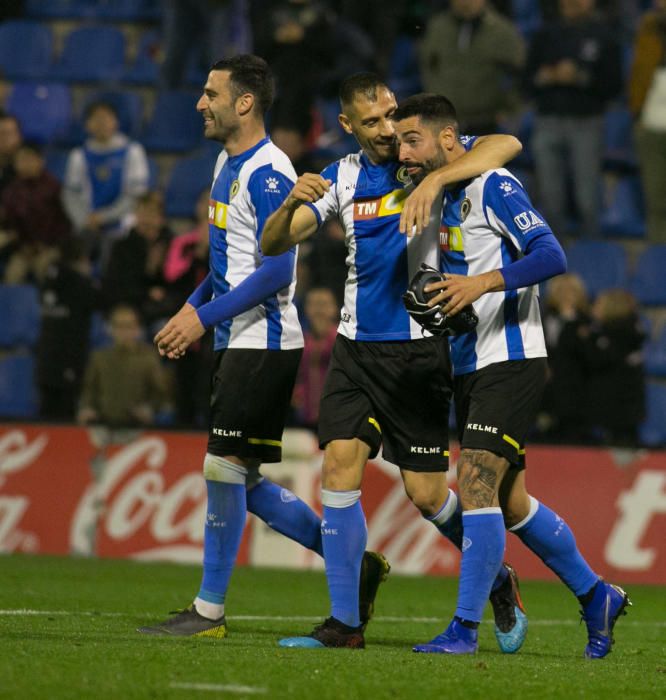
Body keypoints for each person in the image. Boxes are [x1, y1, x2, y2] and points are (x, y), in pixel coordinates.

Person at [262, 73, 527, 651]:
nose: (388, 130)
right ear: (348, 126)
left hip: (418, 353)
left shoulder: (423, 161)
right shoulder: (343, 176)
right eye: (375, 121)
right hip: (356, 348)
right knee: (338, 470)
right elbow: (275, 243)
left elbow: (505, 145)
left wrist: (440, 182)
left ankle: (496, 577)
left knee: (428, 495)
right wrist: (288, 203)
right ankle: (344, 624)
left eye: (391, 116)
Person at [137, 55, 389, 640]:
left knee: (222, 467)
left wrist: (202, 320)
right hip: (236, 336)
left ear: (244, 102)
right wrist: (192, 307)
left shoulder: (270, 171)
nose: (200, 103)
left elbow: (276, 271)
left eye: (210, 93)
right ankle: (356, 564)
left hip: (264, 340)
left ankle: (208, 612)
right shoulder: (227, 162)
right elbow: (228, 264)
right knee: (240, 479)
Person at [392, 92, 630, 659]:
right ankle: (596, 594)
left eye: (412, 139)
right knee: (512, 503)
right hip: (472, 361)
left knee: (473, 478)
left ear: (448, 139)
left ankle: (464, 629)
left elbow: (551, 256)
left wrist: (481, 284)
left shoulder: (492, 185)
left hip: (514, 356)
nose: (402, 150)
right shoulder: (435, 187)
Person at [524, 0, 623, 239]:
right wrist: (543, 77)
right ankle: (551, 259)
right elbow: (525, 81)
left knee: (587, 198)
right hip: (547, 119)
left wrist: (580, 77)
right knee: (550, 197)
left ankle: (592, 258)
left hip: (586, 121)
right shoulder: (544, 34)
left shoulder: (604, 36)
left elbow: (614, 86)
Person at [419, 0, 526, 135]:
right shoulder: (436, 29)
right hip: (443, 122)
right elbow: (426, 69)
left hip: (487, 122)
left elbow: (519, 75)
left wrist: (510, 111)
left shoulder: (503, 31)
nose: (466, 2)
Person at [62, 101, 149, 259]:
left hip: (123, 226)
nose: (101, 124)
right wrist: (84, 219)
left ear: (116, 122)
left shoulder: (132, 152)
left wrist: (104, 217)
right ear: (87, 125)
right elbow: (70, 195)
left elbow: (136, 195)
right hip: (88, 226)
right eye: (96, 119)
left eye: (106, 118)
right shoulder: (78, 156)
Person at [77, 304, 169, 428]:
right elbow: (89, 389)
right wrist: (86, 408)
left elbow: (160, 394)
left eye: (128, 327)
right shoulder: (100, 358)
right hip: (103, 426)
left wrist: (149, 409)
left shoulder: (148, 358)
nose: (124, 332)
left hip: (138, 428)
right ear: (111, 329)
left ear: (137, 329)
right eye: (119, 327)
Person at [2, 141, 71, 284]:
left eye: (29, 159)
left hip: (50, 247)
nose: (25, 164)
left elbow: (64, 223)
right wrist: (21, 245)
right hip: (24, 250)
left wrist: (45, 244)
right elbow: (11, 223)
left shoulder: (54, 188)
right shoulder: (12, 191)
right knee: (12, 276)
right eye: (20, 160)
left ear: (40, 161)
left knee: (44, 272)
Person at [629, 0, 666, 243]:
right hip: (652, 123)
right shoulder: (649, 27)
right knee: (656, 200)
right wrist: (638, 113)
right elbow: (639, 73)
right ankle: (658, 257)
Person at [292, 286, 339, 430]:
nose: (319, 310)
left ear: (335, 308)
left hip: (337, 418)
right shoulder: (299, 341)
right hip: (304, 418)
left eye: (324, 304)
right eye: (314, 304)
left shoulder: (343, 341)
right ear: (305, 309)